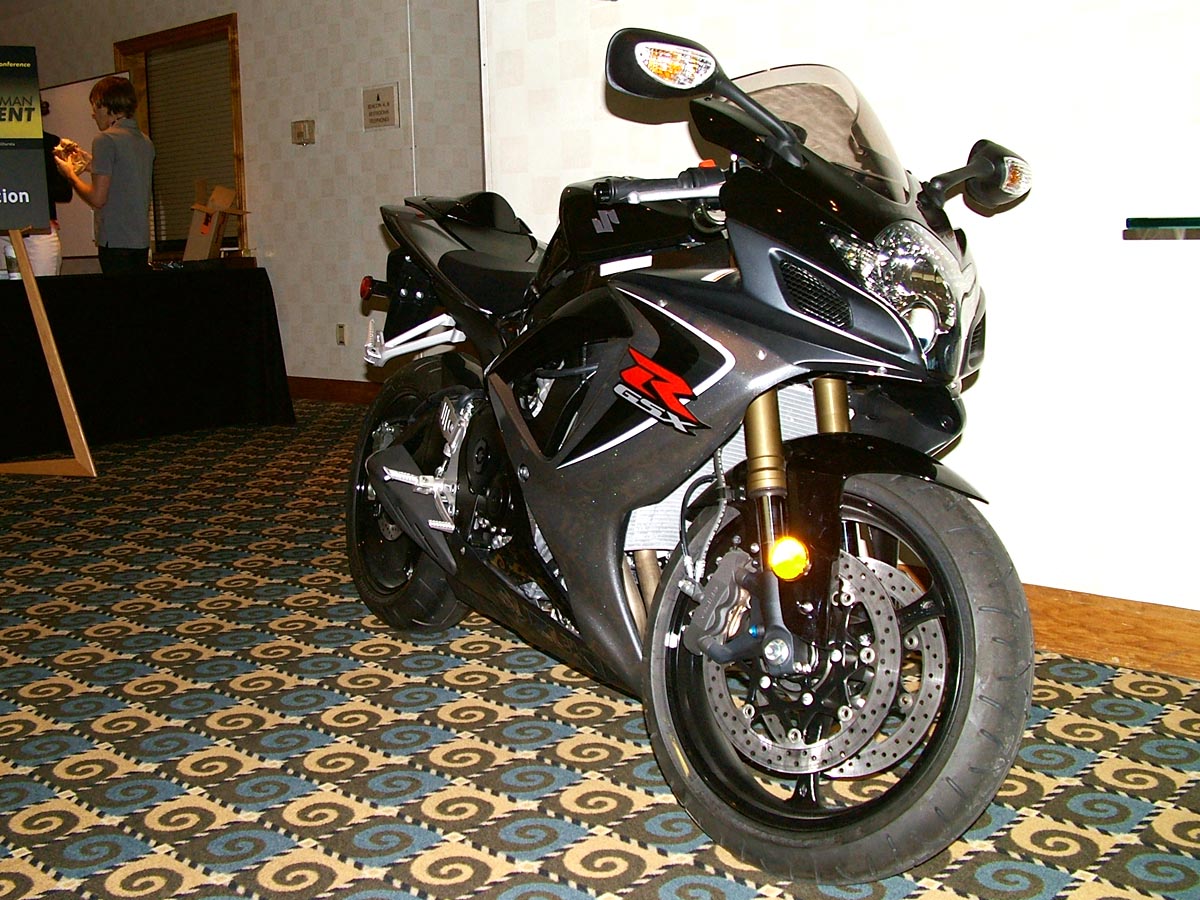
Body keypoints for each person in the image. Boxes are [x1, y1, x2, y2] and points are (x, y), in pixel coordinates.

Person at [57, 76, 155, 275]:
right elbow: (124, 178)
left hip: (115, 242)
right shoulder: (145, 142)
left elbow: (97, 198)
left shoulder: (105, 139)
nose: (93, 114)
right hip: (140, 242)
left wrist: (70, 175)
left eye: (95, 106)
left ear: (105, 104)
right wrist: (89, 163)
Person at [0, 102, 73, 279]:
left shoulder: (49, 143)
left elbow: (64, 192)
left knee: (43, 288)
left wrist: (30, 187)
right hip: (3, 232)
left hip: (39, 233)